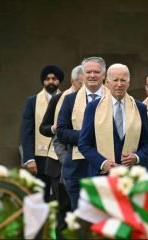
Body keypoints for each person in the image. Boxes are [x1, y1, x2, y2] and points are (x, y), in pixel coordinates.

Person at [78, 63, 148, 177]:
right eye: (115, 80)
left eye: (123, 80)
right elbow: (84, 144)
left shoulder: (140, 108)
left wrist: (137, 157)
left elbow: (147, 144)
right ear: (107, 82)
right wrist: (102, 163)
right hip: (101, 175)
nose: (119, 84)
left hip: (131, 176)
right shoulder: (93, 107)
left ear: (128, 82)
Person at [56, 57, 108, 210]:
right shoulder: (70, 100)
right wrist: (88, 136)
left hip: (104, 167)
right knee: (81, 223)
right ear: (83, 75)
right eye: (88, 72)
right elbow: (61, 132)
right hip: (77, 170)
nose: (92, 75)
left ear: (104, 75)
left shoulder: (113, 99)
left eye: (96, 72)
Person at [38, 65, 83, 234]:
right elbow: (43, 127)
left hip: (85, 162)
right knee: (63, 211)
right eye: (81, 83)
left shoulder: (93, 100)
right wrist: (56, 128)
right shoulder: (59, 99)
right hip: (60, 163)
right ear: (73, 82)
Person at [21, 64, 64, 202]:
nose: (51, 81)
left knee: (61, 195)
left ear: (59, 81)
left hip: (61, 155)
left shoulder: (67, 99)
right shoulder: (32, 102)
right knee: (40, 196)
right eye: (47, 79)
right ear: (43, 81)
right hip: (40, 157)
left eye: (54, 78)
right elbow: (27, 131)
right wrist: (29, 158)